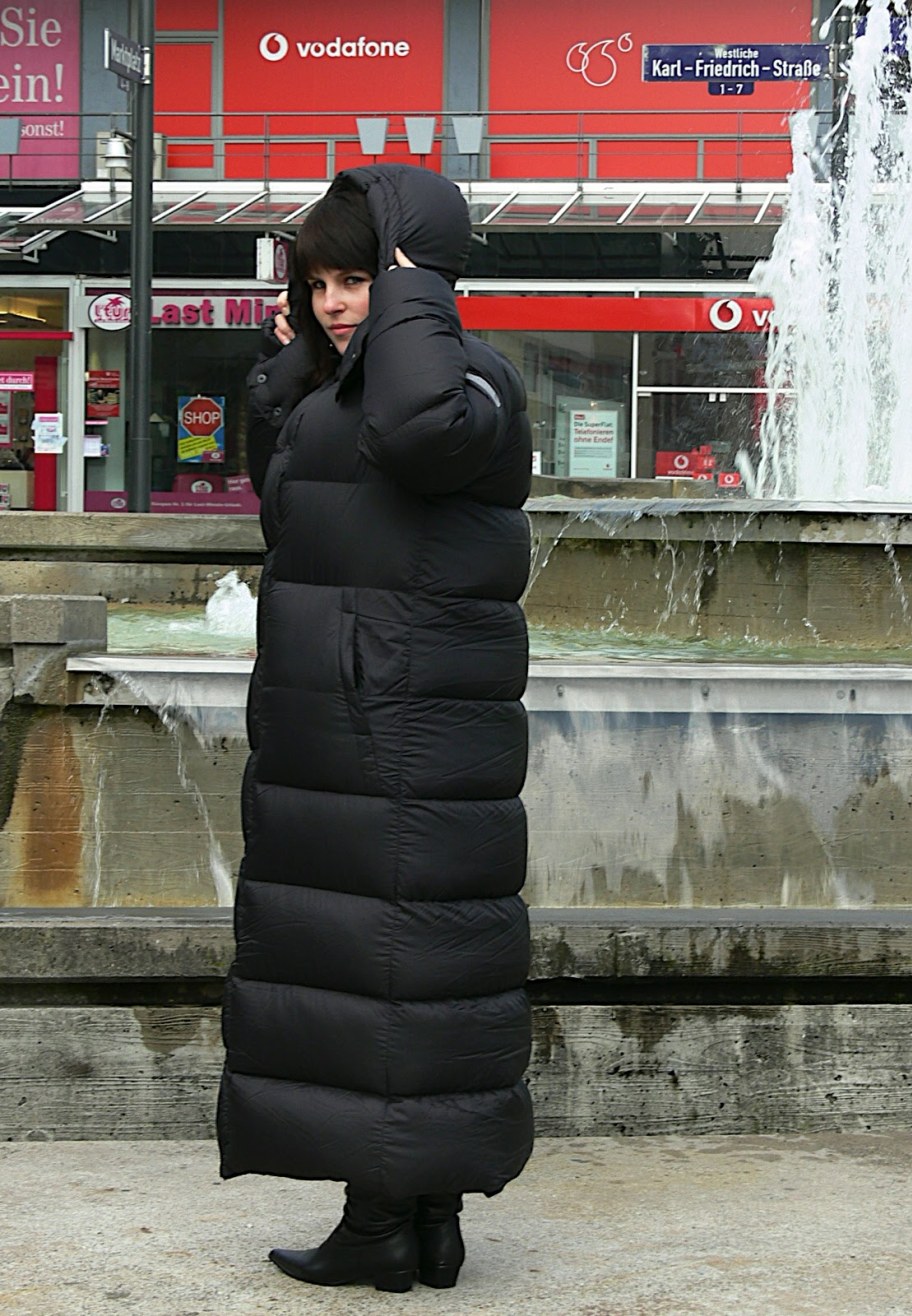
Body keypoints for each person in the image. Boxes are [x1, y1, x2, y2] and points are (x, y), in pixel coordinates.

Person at [216, 163, 534, 1294]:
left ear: (416, 279)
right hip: (360, 730)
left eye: (361, 279)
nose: (338, 302)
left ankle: (386, 1217)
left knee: (403, 968)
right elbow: (285, 488)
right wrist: (304, 355)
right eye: (321, 282)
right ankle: (413, 1216)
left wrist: (414, 299)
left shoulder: (466, 380)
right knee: (395, 975)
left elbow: (414, 433)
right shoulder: (344, 388)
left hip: (403, 730)